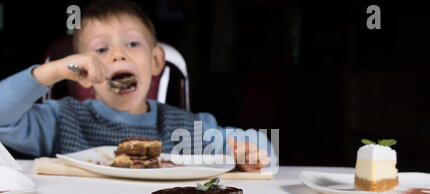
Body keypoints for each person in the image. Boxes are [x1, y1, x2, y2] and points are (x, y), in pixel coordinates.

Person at [0, 0, 276, 172]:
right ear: (85, 69)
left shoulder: (187, 129)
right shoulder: (60, 120)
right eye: (101, 49)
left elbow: (258, 145)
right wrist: (51, 71)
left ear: (156, 61)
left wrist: (249, 154)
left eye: (132, 44)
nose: (119, 55)